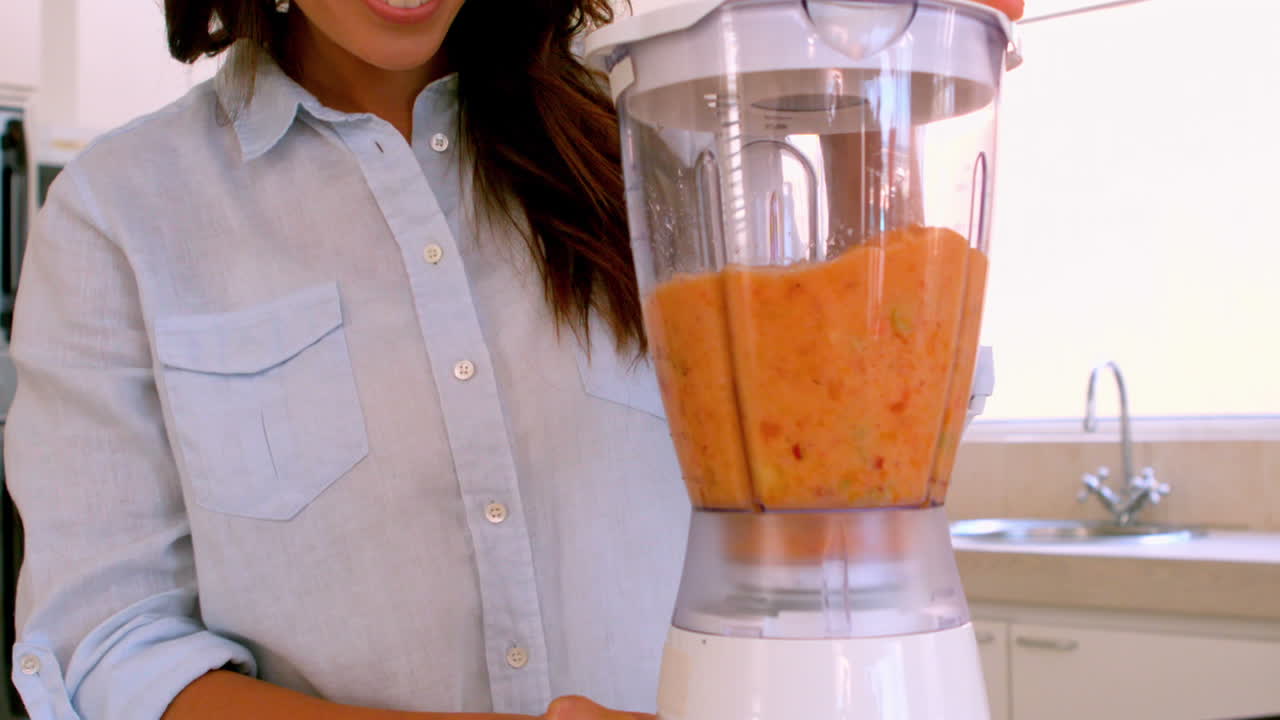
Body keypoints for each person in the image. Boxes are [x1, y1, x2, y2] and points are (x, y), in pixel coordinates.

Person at [4, 0, 1023, 719]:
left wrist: (879, 88)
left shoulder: (669, 127)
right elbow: (112, 654)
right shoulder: (123, 213)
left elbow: (856, 415)